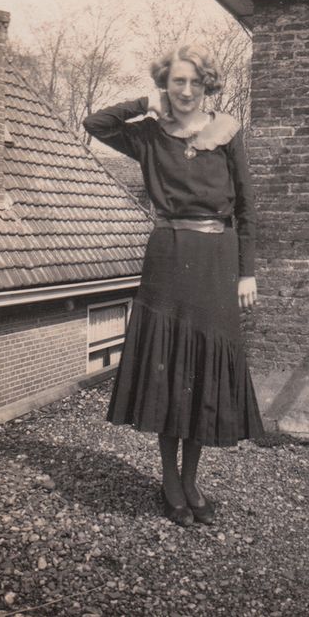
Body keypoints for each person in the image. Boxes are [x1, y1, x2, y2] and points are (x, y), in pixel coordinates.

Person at [83, 43, 264, 527]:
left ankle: (191, 480)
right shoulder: (147, 137)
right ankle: (169, 481)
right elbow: (95, 125)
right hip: (167, 257)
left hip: (216, 260)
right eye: (175, 82)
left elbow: (246, 208)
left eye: (194, 82)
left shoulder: (227, 133)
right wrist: (145, 105)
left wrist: (246, 271)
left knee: (202, 370)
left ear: (207, 85)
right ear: (166, 86)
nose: (185, 90)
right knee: (169, 370)